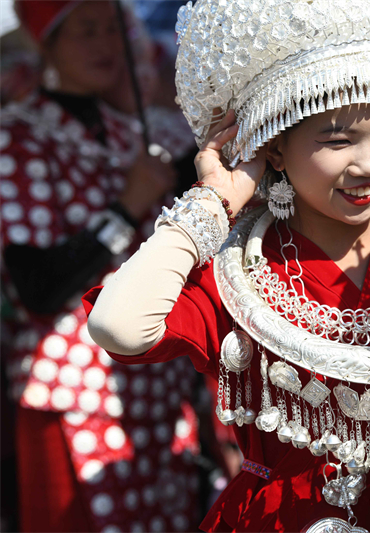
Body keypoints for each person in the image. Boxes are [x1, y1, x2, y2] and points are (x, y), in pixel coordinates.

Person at [84, 0, 370, 530]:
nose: (369, 164)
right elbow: (117, 326)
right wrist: (215, 200)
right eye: (336, 140)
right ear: (276, 150)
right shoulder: (238, 273)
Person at [0, 1, 203, 530]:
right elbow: (37, 288)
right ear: (46, 42)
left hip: (159, 393)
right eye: (85, 31)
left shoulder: (144, 135)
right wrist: (124, 209)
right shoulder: (19, 138)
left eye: (114, 28)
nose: (105, 44)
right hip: (73, 399)